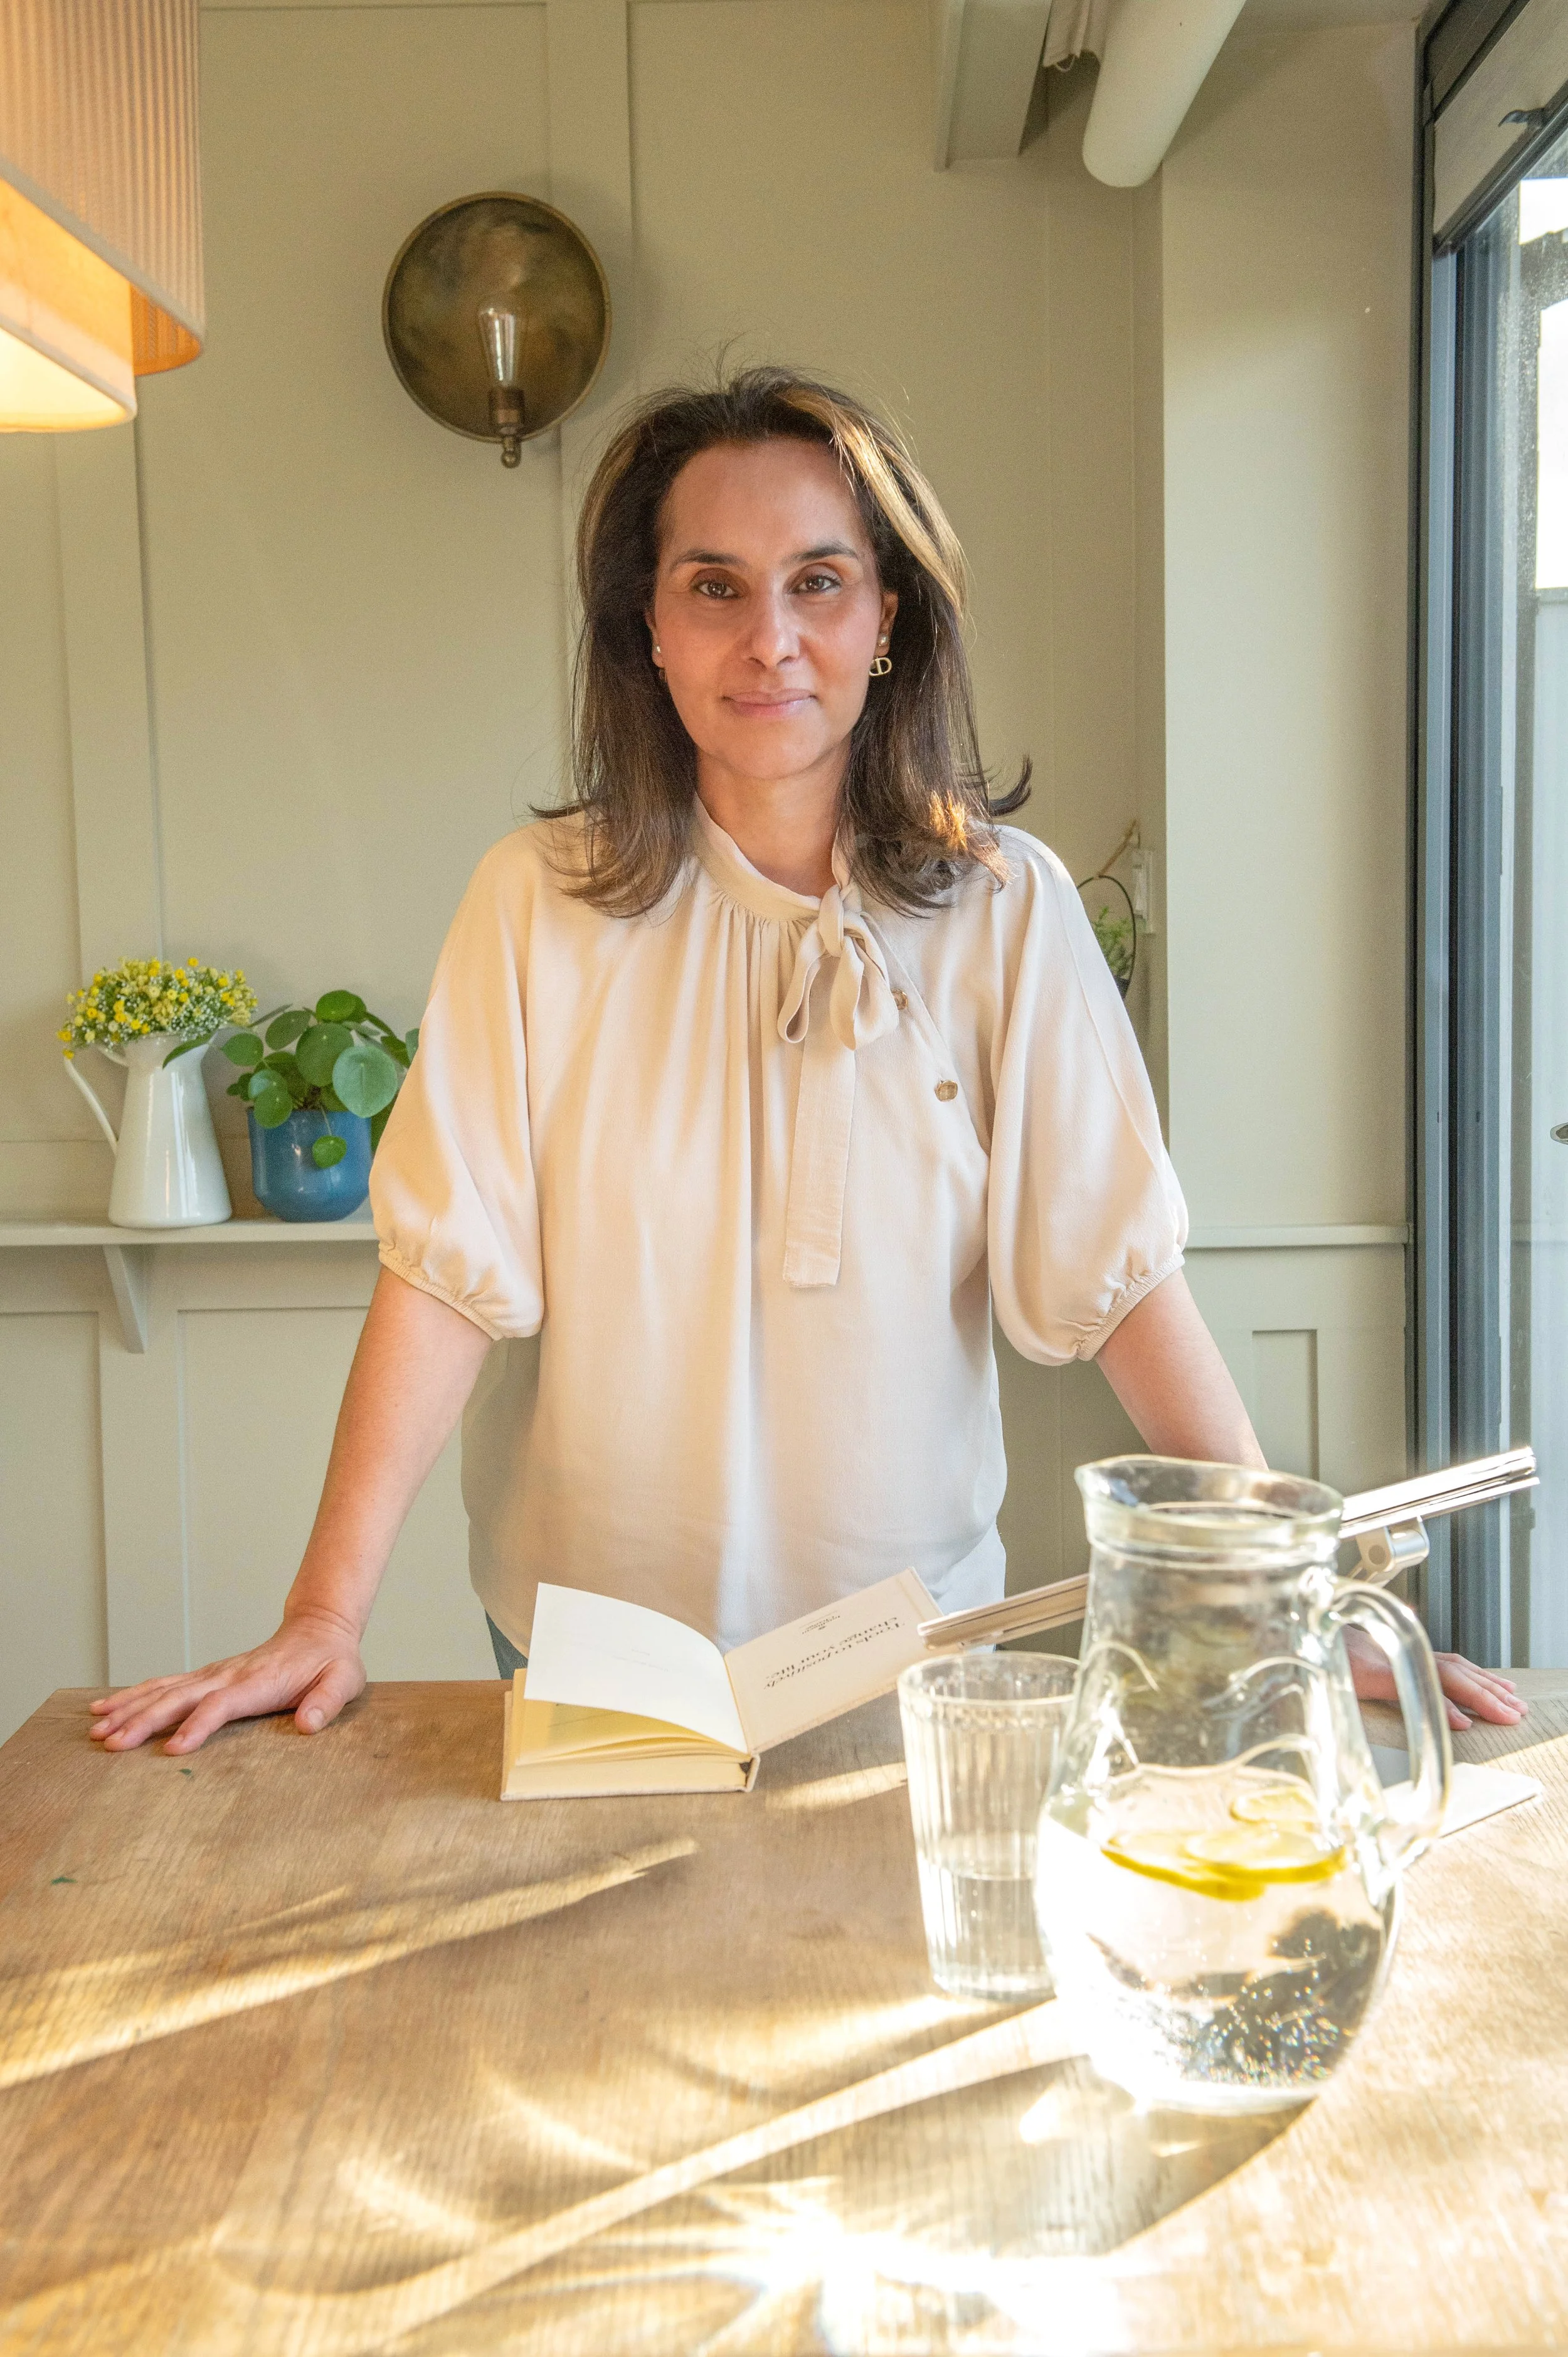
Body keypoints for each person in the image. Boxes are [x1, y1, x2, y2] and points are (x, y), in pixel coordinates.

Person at [90, 366, 1523, 1755]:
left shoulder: (1006, 908)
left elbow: (1122, 1275)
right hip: (584, 1640)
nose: (767, 637)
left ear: (886, 617)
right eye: (712, 586)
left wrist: (1288, 1591)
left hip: (914, 1644)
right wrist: (322, 1610)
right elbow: (441, 1275)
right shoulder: (532, 900)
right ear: (644, 628)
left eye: (816, 581)